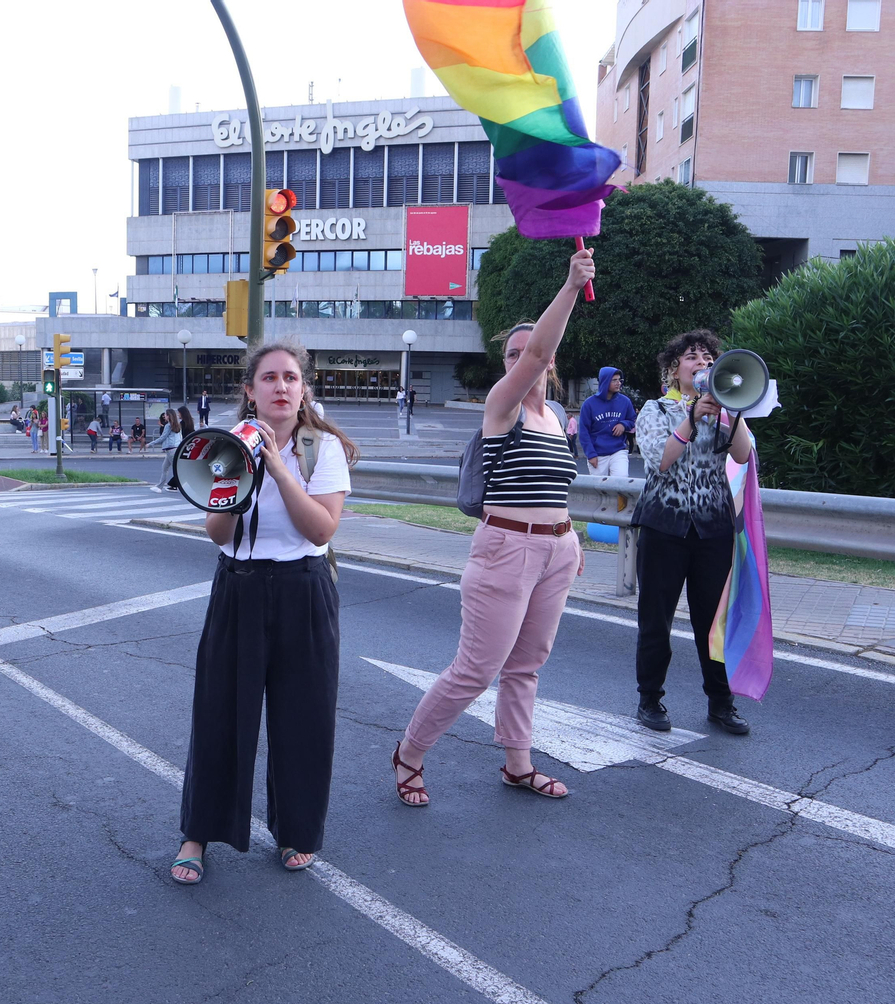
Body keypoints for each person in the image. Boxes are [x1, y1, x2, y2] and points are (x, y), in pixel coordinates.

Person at [391, 249, 595, 809]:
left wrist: (568, 537)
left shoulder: (555, 419)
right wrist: (572, 287)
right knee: (475, 670)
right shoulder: (501, 406)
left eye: (525, 353)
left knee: (527, 665)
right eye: (510, 354)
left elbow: (552, 487)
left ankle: (517, 764)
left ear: (551, 367)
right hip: (506, 550)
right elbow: (537, 349)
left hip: (555, 551)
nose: (519, 360)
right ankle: (410, 753)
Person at [172, 340, 359, 885]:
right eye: (270, 378)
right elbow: (218, 534)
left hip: (304, 587)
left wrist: (277, 470)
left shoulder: (321, 449)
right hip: (240, 587)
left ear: (303, 390)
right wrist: (236, 480)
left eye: (291, 378)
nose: (282, 386)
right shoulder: (228, 447)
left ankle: (296, 829)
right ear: (250, 392)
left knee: (304, 716)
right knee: (219, 715)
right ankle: (197, 834)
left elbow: (322, 529)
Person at [630, 330, 755, 737]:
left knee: (712, 623)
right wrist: (691, 417)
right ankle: (649, 698)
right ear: (674, 368)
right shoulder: (654, 409)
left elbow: (742, 455)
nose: (700, 362)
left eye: (707, 357)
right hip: (664, 525)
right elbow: (661, 461)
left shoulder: (725, 410)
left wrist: (728, 414)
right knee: (656, 618)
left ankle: (721, 703)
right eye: (691, 357)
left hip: (712, 528)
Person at [579, 366, 637, 478]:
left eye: (620, 380)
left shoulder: (625, 401)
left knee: (621, 482)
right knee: (600, 490)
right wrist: (591, 454)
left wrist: (623, 425)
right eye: (614, 380)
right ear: (605, 381)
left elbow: (632, 420)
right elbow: (584, 432)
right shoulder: (589, 404)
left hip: (618, 450)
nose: (618, 383)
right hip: (598, 453)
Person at [146, 408, 182, 492]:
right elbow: (180, 437)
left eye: (165, 415)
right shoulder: (177, 425)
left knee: (176, 470)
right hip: (174, 449)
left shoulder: (168, 426)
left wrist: (151, 443)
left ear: (169, 416)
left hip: (171, 450)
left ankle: (176, 486)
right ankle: (159, 486)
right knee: (164, 468)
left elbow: (162, 437)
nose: (164, 416)